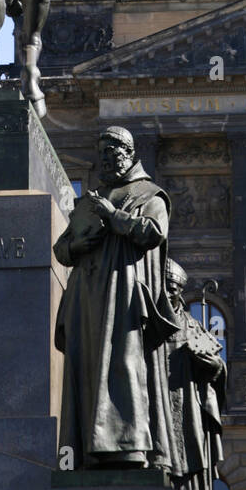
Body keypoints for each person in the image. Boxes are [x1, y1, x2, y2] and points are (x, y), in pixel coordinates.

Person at [53, 127, 178, 468]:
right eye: (101, 154)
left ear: (129, 153)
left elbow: (153, 233)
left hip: (122, 296)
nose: (106, 160)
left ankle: (129, 446)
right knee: (87, 370)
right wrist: (77, 246)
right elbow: (62, 247)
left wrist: (113, 216)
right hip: (86, 299)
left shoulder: (150, 195)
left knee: (123, 367)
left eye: (113, 153)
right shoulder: (90, 200)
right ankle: (86, 451)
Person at [165, 260, 227, 490]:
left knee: (187, 467)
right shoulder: (146, 321)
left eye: (173, 288)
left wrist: (207, 362)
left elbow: (218, 366)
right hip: (157, 410)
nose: (168, 293)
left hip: (187, 407)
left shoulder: (192, 325)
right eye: (164, 287)